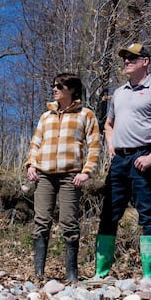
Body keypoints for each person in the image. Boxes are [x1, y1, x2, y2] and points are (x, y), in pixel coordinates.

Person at [95, 43, 151, 279]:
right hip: (119, 161)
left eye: (132, 58)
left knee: (147, 214)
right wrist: (111, 145)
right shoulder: (119, 92)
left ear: (145, 61)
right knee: (109, 213)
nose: (127, 62)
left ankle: (149, 277)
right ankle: (101, 274)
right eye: (125, 58)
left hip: (144, 157)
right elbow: (108, 125)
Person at [25, 72, 101, 282]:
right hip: (44, 175)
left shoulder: (86, 114)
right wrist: (31, 164)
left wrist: (87, 172)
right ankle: (39, 274)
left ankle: (71, 274)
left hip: (70, 176)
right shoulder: (45, 116)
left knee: (69, 222)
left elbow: (94, 145)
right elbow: (36, 142)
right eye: (54, 85)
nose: (55, 89)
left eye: (60, 85)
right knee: (41, 220)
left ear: (72, 90)